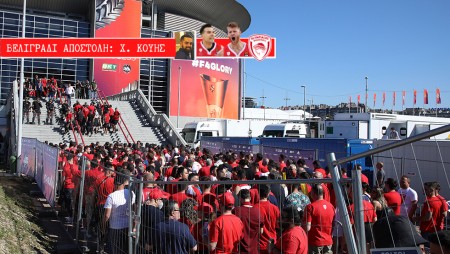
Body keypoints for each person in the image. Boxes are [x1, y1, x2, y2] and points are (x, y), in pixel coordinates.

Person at [103, 169, 135, 254]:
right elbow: (134, 209)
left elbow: (107, 215)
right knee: (126, 249)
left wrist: (104, 226)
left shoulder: (111, 196)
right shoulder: (131, 193)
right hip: (128, 226)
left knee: (116, 250)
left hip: (115, 227)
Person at [303, 184, 335, 254]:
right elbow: (334, 224)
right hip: (328, 242)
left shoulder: (310, 207)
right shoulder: (331, 206)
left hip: (315, 242)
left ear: (314, 193)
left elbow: (307, 227)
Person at [233, 189, 264, 253]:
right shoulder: (258, 211)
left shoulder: (236, 211)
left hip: (240, 248)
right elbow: (261, 231)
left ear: (240, 198)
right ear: (250, 198)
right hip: (254, 248)